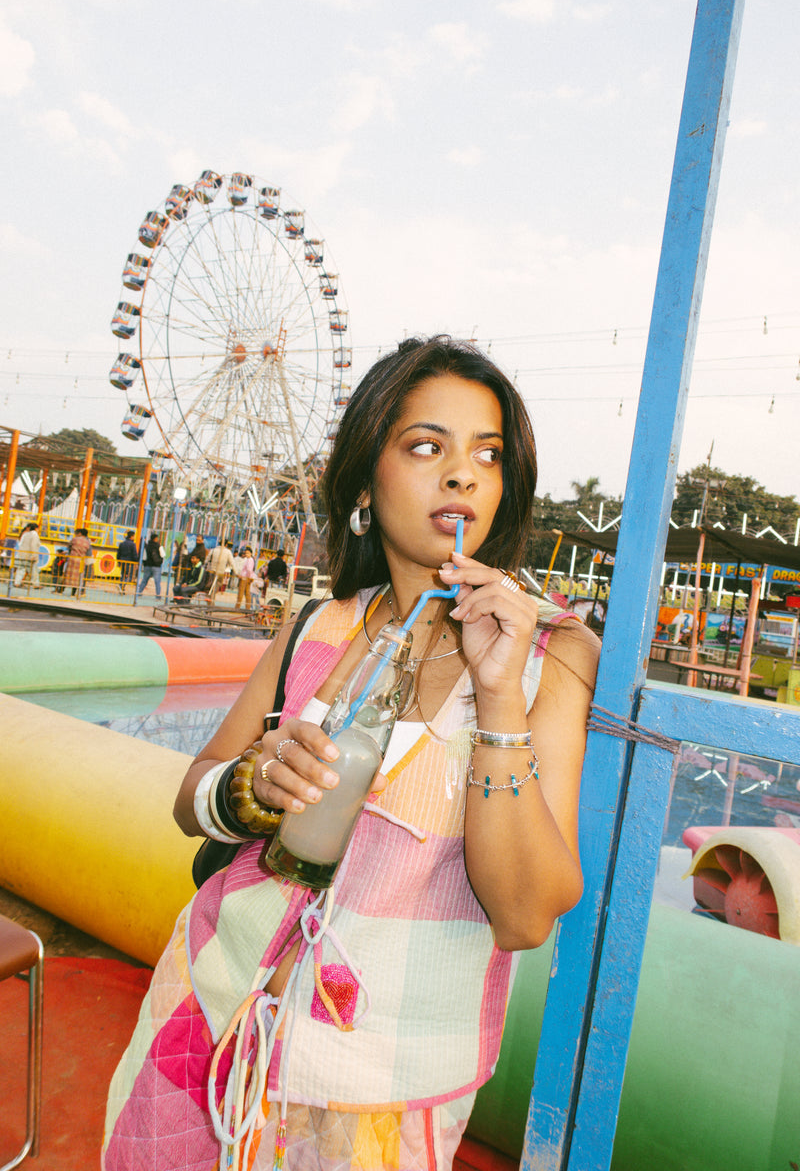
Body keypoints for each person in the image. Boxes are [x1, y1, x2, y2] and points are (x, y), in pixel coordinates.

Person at [103, 335, 598, 1171]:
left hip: (382, 1085)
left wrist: (501, 697)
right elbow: (191, 800)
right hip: (212, 1016)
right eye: (426, 446)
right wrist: (250, 787)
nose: (462, 474)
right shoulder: (316, 625)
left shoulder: (549, 650)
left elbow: (526, 915)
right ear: (367, 479)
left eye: (487, 454)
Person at [205, 537, 235, 602]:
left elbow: (207, 560)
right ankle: (211, 598)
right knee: (217, 586)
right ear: (226, 544)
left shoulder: (213, 550)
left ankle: (211, 598)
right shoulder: (228, 552)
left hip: (212, 571)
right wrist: (236, 572)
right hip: (220, 572)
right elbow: (232, 562)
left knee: (212, 585)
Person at [64, 527, 92, 597]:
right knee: (78, 578)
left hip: (72, 559)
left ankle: (60, 590)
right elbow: (89, 554)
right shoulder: (88, 542)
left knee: (67, 575)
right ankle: (73, 594)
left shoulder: (74, 539)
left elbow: (69, 546)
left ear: (80, 533)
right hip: (81, 561)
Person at [138, 532, 165, 601]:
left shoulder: (147, 546)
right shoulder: (159, 546)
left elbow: (144, 557)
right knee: (157, 582)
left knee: (144, 580)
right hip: (156, 566)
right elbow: (163, 555)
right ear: (156, 538)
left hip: (148, 566)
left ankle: (139, 593)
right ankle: (158, 596)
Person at [13, 523, 41, 587]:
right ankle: (36, 584)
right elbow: (33, 545)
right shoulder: (34, 534)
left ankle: (17, 582)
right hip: (29, 556)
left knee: (20, 569)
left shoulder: (25, 534)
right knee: (34, 570)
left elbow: (21, 544)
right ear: (36, 528)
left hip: (22, 554)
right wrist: (34, 555)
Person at [116, 530, 139, 594]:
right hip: (129, 562)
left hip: (122, 561)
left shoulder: (122, 543)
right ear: (131, 536)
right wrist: (136, 562)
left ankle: (122, 589)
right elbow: (134, 554)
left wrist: (118, 561)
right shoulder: (132, 544)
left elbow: (118, 553)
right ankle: (121, 585)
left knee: (123, 575)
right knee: (130, 577)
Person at [236, 545, 256, 609]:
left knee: (241, 593)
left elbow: (249, 570)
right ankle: (247, 607)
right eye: (246, 553)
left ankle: (238, 607)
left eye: (248, 553)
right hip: (246, 577)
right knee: (247, 594)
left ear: (251, 553)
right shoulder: (248, 560)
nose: (246, 554)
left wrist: (249, 577)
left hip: (245, 578)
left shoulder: (250, 560)